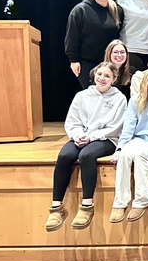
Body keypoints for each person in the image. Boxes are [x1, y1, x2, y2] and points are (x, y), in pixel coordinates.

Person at [45, 62, 127, 232]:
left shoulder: (119, 98)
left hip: (106, 139)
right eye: (100, 74)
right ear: (94, 75)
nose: (102, 78)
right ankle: (56, 207)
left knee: (86, 156)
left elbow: (116, 127)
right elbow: (72, 121)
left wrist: (91, 137)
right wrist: (77, 136)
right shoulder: (81, 96)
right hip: (81, 136)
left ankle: (87, 205)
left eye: (107, 76)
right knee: (64, 156)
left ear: (114, 79)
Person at [109, 69, 148, 223]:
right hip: (139, 138)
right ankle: (120, 202)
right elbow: (129, 127)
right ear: (145, 81)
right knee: (124, 155)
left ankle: (141, 200)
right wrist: (120, 148)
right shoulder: (135, 100)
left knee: (140, 155)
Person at [65, 0, 125, 88]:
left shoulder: (117, 10)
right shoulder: (80, 10)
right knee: (93, 95)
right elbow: (72, 37)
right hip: (87, 62)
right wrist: (73, 60)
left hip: (110, 62)